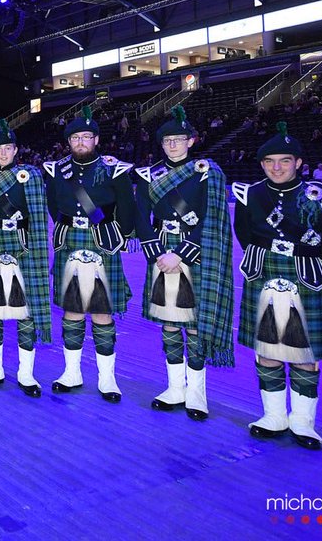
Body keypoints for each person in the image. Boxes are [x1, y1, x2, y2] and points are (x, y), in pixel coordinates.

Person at [234, 122, 322, 449]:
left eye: (284, 161)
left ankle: (303, 422)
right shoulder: (249, 194)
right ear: (262, 164)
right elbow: (244, 235)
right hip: (263, 275)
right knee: (266, 349)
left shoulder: (320, 197)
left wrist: (308, 265)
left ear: (298, 163)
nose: (276, 167)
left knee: (304, 353)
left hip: (307, 280)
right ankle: (274, 416)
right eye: (269, 162)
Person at [134, 107, 234, 420]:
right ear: (161, 145)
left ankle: (196, 393)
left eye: (179, 140)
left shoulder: (207, 172)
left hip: (195, 252)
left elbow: (213, 216)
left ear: (191, 141)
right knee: (169, 323)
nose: (174, 145)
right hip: (162, 252)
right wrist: (157, 254)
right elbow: (141, 216)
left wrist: (181, 253)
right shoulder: (151, 175)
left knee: (193, 325)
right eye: (168, 141)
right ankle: (175, 388)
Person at [42, 106, 136, 403]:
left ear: (96, 140)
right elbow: (52, 205)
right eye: (75, 138)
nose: (80, 142)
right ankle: (72, 372)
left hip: (101, 242)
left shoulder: (114, 169)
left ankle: (107, 378)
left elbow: (127, 209)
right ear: (68, 142)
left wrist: (115, 234)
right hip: (70, 239)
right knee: (72, 309)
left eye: (86, 137)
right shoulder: (57, 170)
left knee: (102, 311)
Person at [0, 119, 51, 397]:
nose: (3, 153)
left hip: (23, 245)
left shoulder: (30, 175)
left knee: (25, 310)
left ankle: (26, 374)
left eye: (8, 148)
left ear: (16, 150)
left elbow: (38, 214)